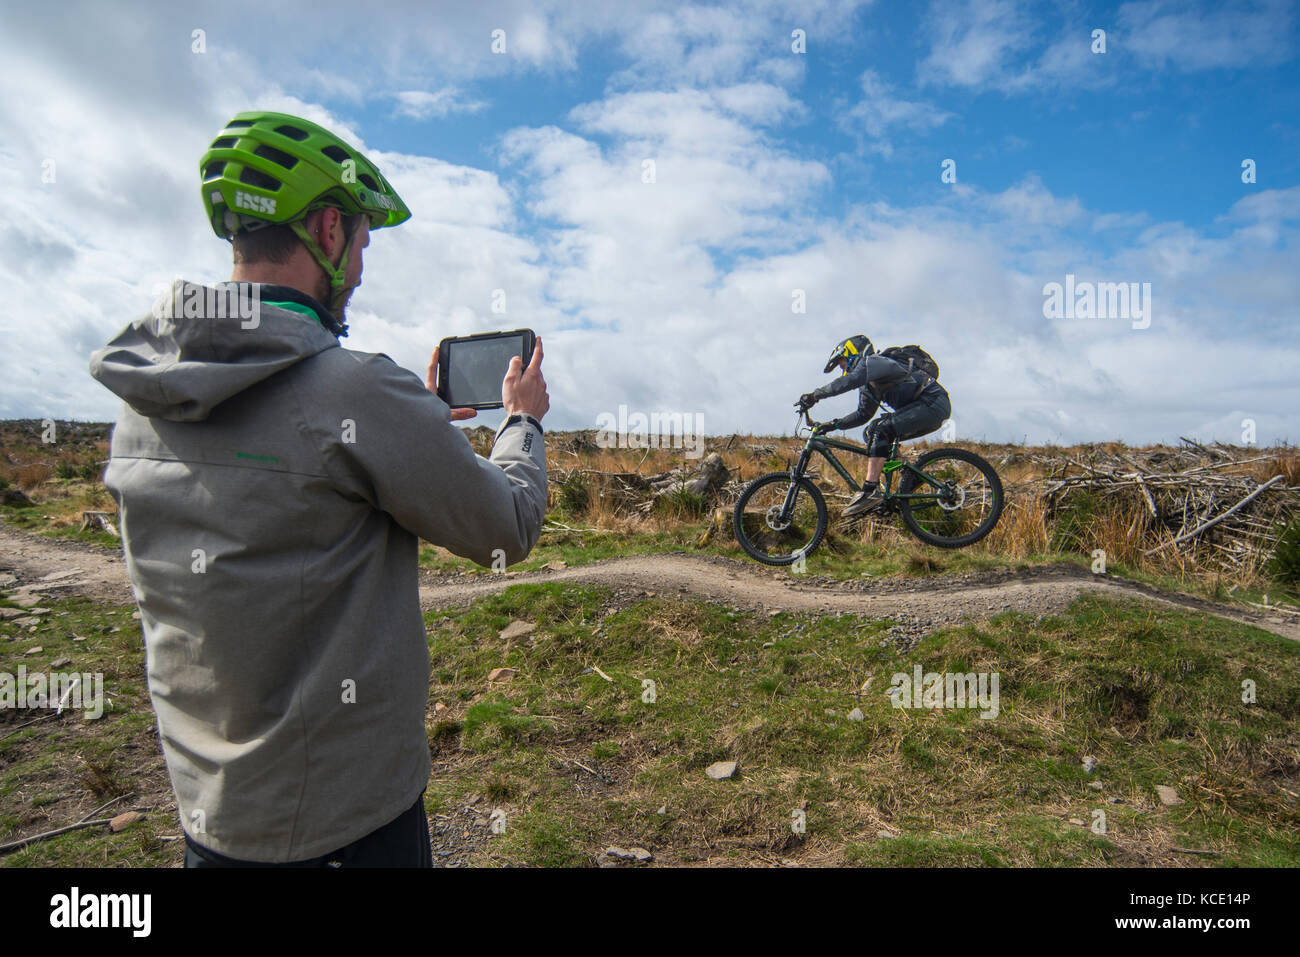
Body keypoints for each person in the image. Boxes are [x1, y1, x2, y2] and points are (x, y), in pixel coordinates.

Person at [87, 110, 549, 867]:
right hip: (350, 828)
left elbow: (278, 479)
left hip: (213, 826)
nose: (361, 268)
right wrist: (521, 423)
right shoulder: (358, 391)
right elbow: (508, 526)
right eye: (362, 242)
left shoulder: (142, 401)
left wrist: (416, 428)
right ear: (328, 231)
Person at [797, 335, 950, 517]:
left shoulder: (874, 362)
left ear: (853, 353)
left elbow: (848, 381)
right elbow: (863, 415)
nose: (841, 368)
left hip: (933, 402)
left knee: (881, 429)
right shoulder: (869, 385)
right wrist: (832, 425)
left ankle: (870, 491)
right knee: (871, 432)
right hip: (924, 409)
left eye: (842, 362)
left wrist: (815, 395)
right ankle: (909, 477)